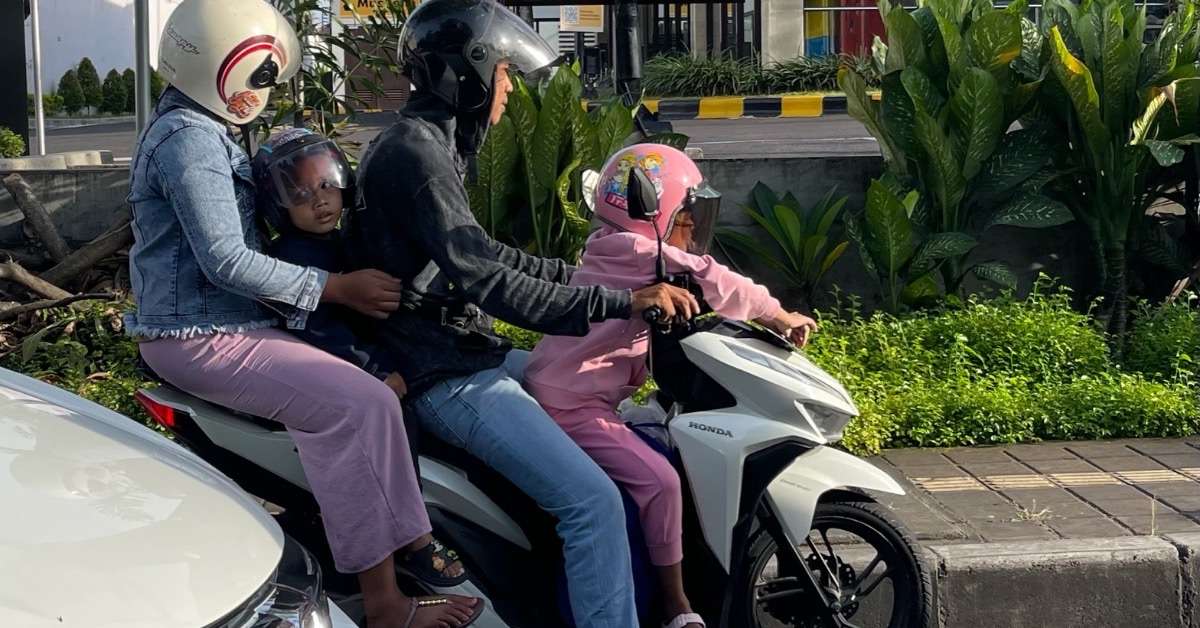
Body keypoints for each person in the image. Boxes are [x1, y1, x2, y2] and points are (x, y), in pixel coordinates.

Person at [126, 2, 479, 626]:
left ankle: (412, 544)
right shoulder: (191, 142)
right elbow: (227, 262)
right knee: (359, 403)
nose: (263, 88)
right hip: (201, 334)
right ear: (223, 65)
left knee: (371, 388)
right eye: (260, 74)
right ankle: (385, 605)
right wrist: (336, 287)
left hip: (223, 326)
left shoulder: (198, 127)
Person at [349, 0, 700, 625]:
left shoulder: (428, 144)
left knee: (586, 393)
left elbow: (487, 254)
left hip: (461, 351)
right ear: (471, 72)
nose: (509, 89)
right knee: (592, 502)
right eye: (505, 73)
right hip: (445, 373)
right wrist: (618, 300)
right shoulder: (416, 156)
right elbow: (490, 283)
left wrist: (591, 278)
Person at [523, 143, 819, 628]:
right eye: (684, 217)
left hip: (572, 394)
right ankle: (675, 604)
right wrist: (782, 316)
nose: (691, 230)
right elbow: (719, 281)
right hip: (573, 406)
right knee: (661, 482)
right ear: (652, 213)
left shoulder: (606, 244)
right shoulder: (641, 253)